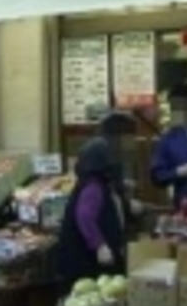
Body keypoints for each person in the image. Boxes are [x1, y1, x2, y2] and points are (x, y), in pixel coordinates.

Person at [57, 111, 139, 292]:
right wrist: (100, 245)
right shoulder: (94, 185)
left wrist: (125, 201)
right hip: (85, 261)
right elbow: (85, 216)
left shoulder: (102, 179)